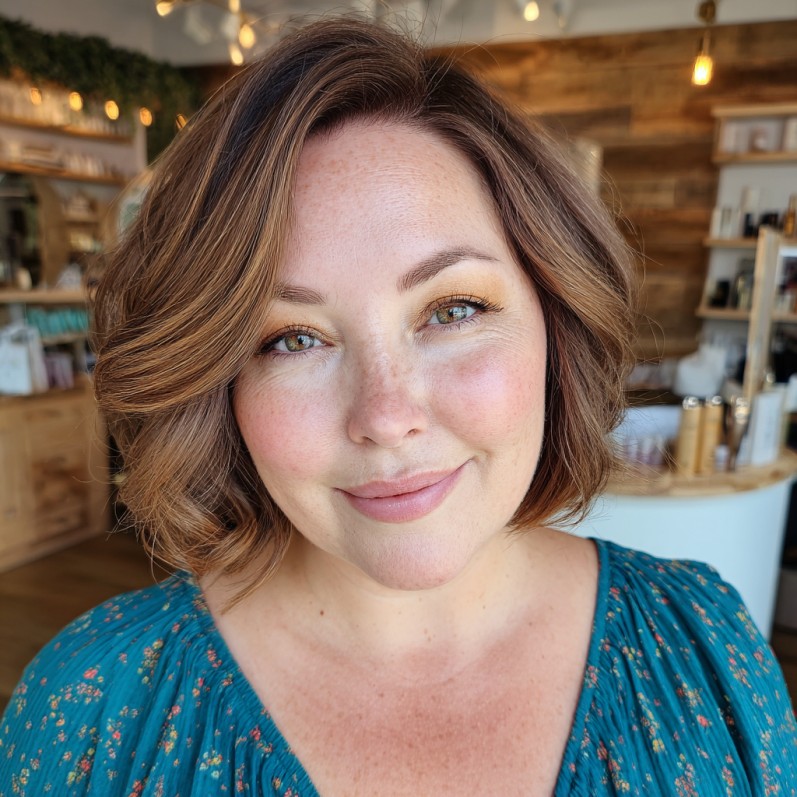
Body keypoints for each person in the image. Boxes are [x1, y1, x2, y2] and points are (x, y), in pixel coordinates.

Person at [1, 16, 795, 797]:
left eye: (452, 309)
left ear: (555, 316)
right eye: (291, 339)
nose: (385, 416)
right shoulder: (90, 709)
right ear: (219, 383)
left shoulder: (705, 643)